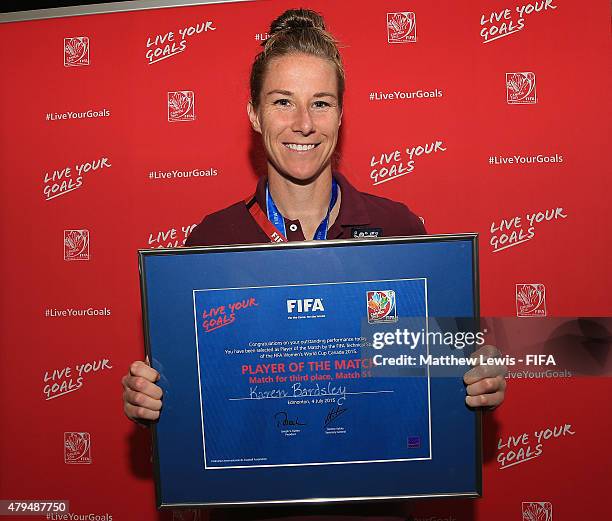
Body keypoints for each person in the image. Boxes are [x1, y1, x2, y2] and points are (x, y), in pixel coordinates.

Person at [122, 8, 506, 519]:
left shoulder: (399, 231)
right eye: (283, 102)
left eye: (320, 103)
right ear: (255, 114)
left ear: (341, 115)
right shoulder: (210, 244)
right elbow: (198, 406)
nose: (303, 123)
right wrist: (153, 402)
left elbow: (438, 371)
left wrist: (479, 377)